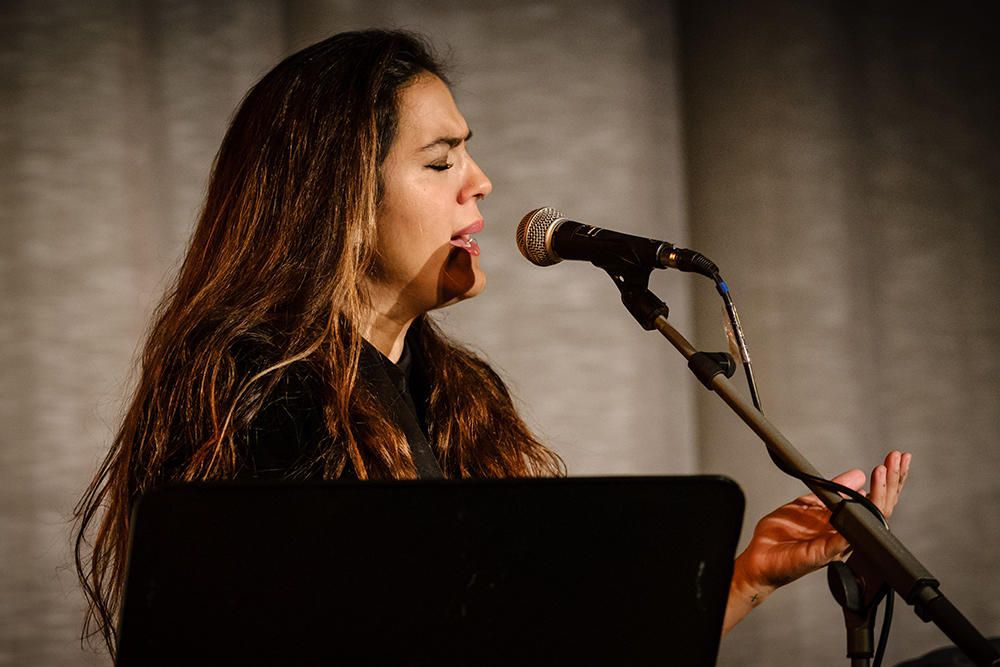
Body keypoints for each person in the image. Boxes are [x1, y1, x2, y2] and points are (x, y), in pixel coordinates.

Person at [73, 29, 911, 658]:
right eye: (440, 162)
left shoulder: (453, 390)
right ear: (340, 197)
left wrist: (749, 574)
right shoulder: (257, 390)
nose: (481, 181)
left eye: (468, 152)